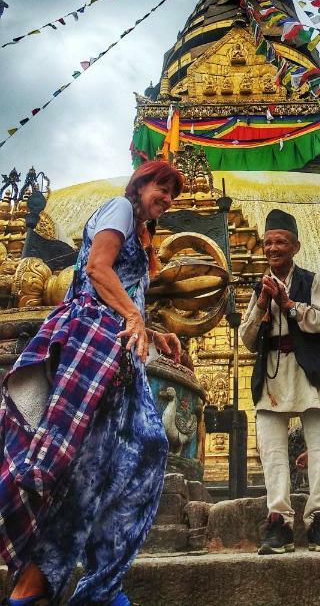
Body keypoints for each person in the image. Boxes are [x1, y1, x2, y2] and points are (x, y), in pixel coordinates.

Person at [0, 160, 184, 606]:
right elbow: (99, 270)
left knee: (111, 460)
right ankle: (54, 583)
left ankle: (76, 585)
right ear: (140, 185)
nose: (167, 198)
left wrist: (151, 329)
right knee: (115, 455)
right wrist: (134, 317)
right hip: (95, 342)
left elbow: (120, 286)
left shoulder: (140, 233)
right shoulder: (119, 208)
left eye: (173, 194)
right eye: (161, 187)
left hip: (113, 346)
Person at [239, 209, 320, 555]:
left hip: (308, 371)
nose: (272, 248)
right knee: (272, 451)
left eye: (280, 242)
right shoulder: (259, 288)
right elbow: (248, 340)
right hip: (272, 373)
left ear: (295, 246)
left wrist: (289, 305)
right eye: (268, 243)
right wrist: (263, 304)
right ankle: (278, 521)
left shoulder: (310, 281)